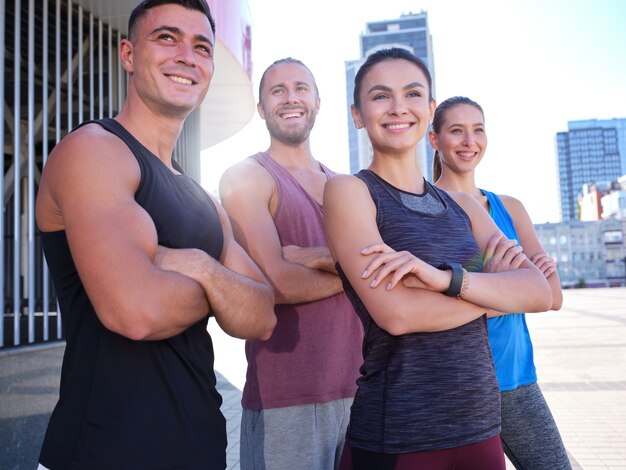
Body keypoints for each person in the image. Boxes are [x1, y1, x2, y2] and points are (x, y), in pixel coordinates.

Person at [35, 1, 276, 469]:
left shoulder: (202, 198)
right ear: (128, 54)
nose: (187, 55)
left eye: (202, 46)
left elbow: (262, 315)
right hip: (100, 455)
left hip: (201, 451)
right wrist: (224, 288)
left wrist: (196, 265)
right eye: (167, 38)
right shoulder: (94, 152)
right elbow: (137, 312)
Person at [324, 47, 553, 469]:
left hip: (481, 426)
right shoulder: (350, 192)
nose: (398, 107)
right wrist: (497, 293)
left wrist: (445, 280)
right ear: (357, 113)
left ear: (429, 110)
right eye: (380, 96)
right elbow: (398, 315)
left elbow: (539, 291)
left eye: (412, 94)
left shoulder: (463, 205)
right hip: (399, 432)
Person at [219, 58, 363, 470]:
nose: (291, 98)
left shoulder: (345, 185)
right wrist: (353, 270)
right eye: (277, 91)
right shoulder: (247, 177)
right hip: (288, 400)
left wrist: (320, 259)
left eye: (301, 88)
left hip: (362, 390)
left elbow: (385, 273)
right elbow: (274, 284)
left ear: (318, 102)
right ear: (261, 108)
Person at [429, 95, 571, 470]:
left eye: (477, 130)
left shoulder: (511, 207)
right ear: (434, 139)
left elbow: (550, 296)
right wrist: (511, 285)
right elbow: (427, 303)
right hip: (461, 385)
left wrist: (476, 287)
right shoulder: (426, 207)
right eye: (456, 131)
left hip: (518, 378)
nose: (468, 141)